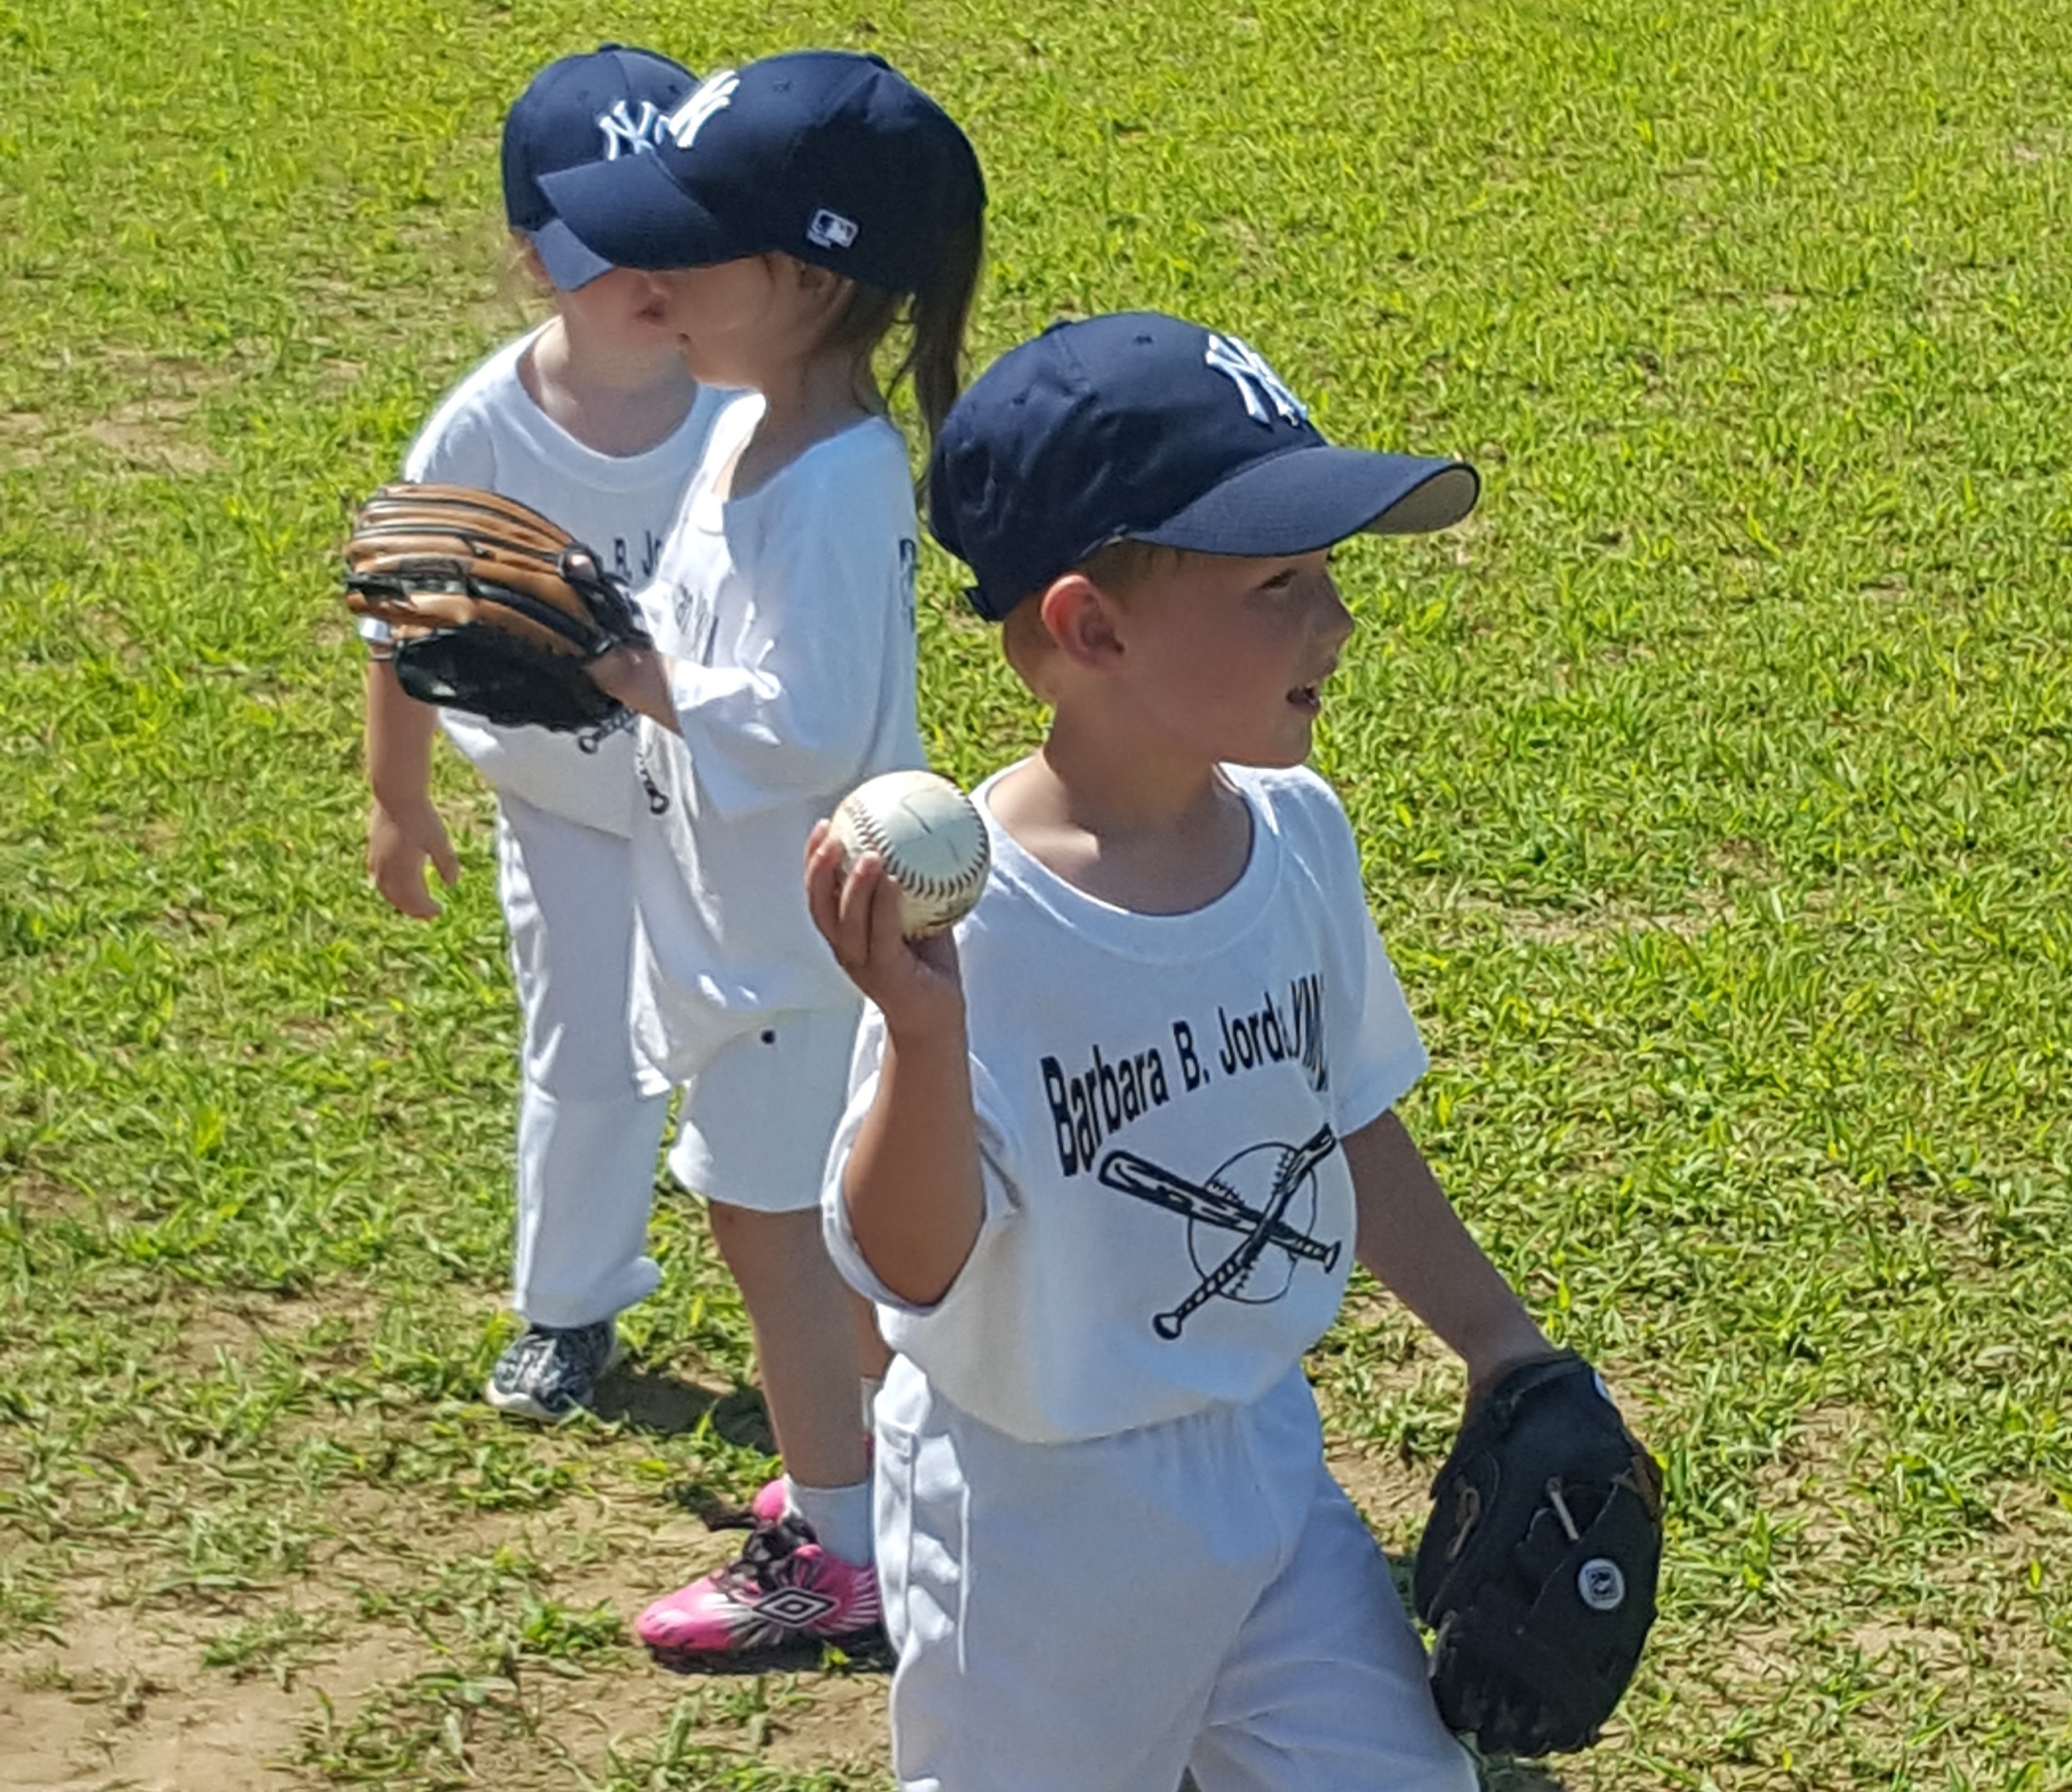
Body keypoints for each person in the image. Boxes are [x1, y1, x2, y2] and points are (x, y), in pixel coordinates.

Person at [806, 311, 1568, 1790]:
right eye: (1277, 583)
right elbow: (907, 1264)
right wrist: (921, 1028)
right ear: (1091, 628)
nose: (1334, 620)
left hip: (1263, 1458)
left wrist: (1500, 1342)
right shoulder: (984, 924)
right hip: (1037, 1519)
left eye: (1326, 573)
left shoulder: (1295, 835)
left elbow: (1347, 1118)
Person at [539, 49, 986, 1655]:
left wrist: (625, 669)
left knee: (785, 1242)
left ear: (804, 274)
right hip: (745, 935)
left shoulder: (836, 472)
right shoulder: (749, 434)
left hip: (802, 957)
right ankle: (893, 1499)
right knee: (790, 1240)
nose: (641, 277)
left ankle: (844, 1542)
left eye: (682, 247)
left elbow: (803, 721)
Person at [360, 45, 725, 1423]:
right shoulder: (482, 432)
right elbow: (407, 628)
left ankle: (843, 1296)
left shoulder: (759, 412)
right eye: (603, 248)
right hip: (565, 806)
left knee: (781, 1046)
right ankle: (568, 1307)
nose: (650, 279)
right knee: (585, 1053)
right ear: (530, 259)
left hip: (735, 799)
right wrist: (400, 800)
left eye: (678, 241)